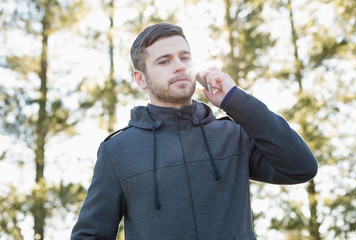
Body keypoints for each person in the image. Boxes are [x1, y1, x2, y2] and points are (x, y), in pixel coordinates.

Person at [71, 23, 318, 240]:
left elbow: (300, 167)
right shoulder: (118, 151)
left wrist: (234, 100)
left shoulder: (232, 135)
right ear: (140, 79)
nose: (179, 66)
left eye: (185, 57)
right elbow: (89, 235)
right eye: (164, 61)